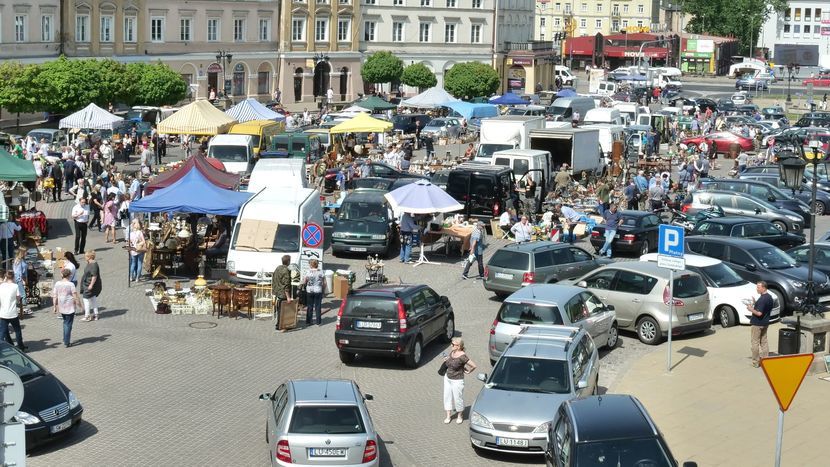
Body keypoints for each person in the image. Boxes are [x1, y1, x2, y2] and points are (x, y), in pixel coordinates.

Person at [442, 337, 476, 424]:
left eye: (453, 344)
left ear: (458, 346)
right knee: (447, 396)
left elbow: (474, 366)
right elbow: (450, 363)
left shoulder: (462, 356)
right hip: (447, 378)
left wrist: (469, 371)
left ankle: (459, 415)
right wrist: (446, 360)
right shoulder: (452, 352)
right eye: (451, 343)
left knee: (458, 398)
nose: (451, 345)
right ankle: (448, 416)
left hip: (457, 380)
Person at [747, 281, 773, 368]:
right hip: (765, 323)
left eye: (758, 287)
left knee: (755, 342)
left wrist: (750, 309)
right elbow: (764, 308)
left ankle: (756, 362)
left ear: (764, 288)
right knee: (764, 342)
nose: (757, 289)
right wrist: (755, 303)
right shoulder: (769, 297)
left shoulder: (762, 299)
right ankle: (766, 360)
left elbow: (759, 313)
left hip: (757, 324)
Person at [53, 268, 80, 347]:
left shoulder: (57, 283)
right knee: (68, 324)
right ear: (69, 275)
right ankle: (66, 341)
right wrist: (79, 305)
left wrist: (54, 306)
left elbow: (55, 295)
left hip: (61, 306)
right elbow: (75, 296)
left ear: (62, 275)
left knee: (65, 323)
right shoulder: (71, 284)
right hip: (70, 307)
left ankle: (65, 338)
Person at [0, 271, 25, 350]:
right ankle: (21, 346)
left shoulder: (1, 286)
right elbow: (18, 298)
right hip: (12, 313)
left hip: (3, 313)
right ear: (13, 277)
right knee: (17, 330)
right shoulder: (15, 286)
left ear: (5, 277)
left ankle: (2, 346)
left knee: (3, 332)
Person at [271, 255, 292, 330]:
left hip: (277, 291)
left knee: (279, 309)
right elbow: (286, 284)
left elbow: (273, 279)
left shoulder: (278, 268)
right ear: (288, 261)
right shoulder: (286, 270)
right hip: (283, 293)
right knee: (283, 310)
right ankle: (281, 325)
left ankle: (279, 324)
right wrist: (288, 297)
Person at [302, 259, 326, 326]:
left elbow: (304, 282)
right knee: (318, 306)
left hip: (310, 290)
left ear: (311, 265)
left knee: (310, 306)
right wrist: (323, 291)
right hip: (318, 290)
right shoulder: (321, 272)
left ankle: (309, 321)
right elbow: (324, 283)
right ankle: (318, 322)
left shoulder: (308, 272)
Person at [80, 250, 101, 322]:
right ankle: (96, 314)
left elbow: (94, 276)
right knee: (93, 299)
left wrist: (91, 285)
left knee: (86, 299)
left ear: (89, 257)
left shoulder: (93, 265)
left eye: (85, 256)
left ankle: (87, 316)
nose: (84, 257)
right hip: (89, 284)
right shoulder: (90, 263)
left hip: (89, 285)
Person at [12, 249, 27, 315]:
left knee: (19, 293)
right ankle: (22, 308)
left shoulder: (17, 261)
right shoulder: (19, 261)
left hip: (17, 279)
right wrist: (23, 279)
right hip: (19, 279)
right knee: (22, 294)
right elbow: (20, 272)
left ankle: (20, 308)